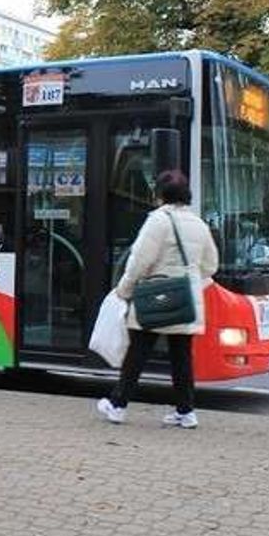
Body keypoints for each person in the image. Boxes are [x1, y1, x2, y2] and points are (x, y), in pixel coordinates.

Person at [96, 170, 220, 429]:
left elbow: (139, 260)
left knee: (137, 353)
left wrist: (124, 289)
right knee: (182, 357)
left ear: (160, 194)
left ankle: (118, 405)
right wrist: (187, 277)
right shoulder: (199, 223)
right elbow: (211, 265)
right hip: (185, 300)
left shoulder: (159, 220)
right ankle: (186, 412)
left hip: (155, 297)